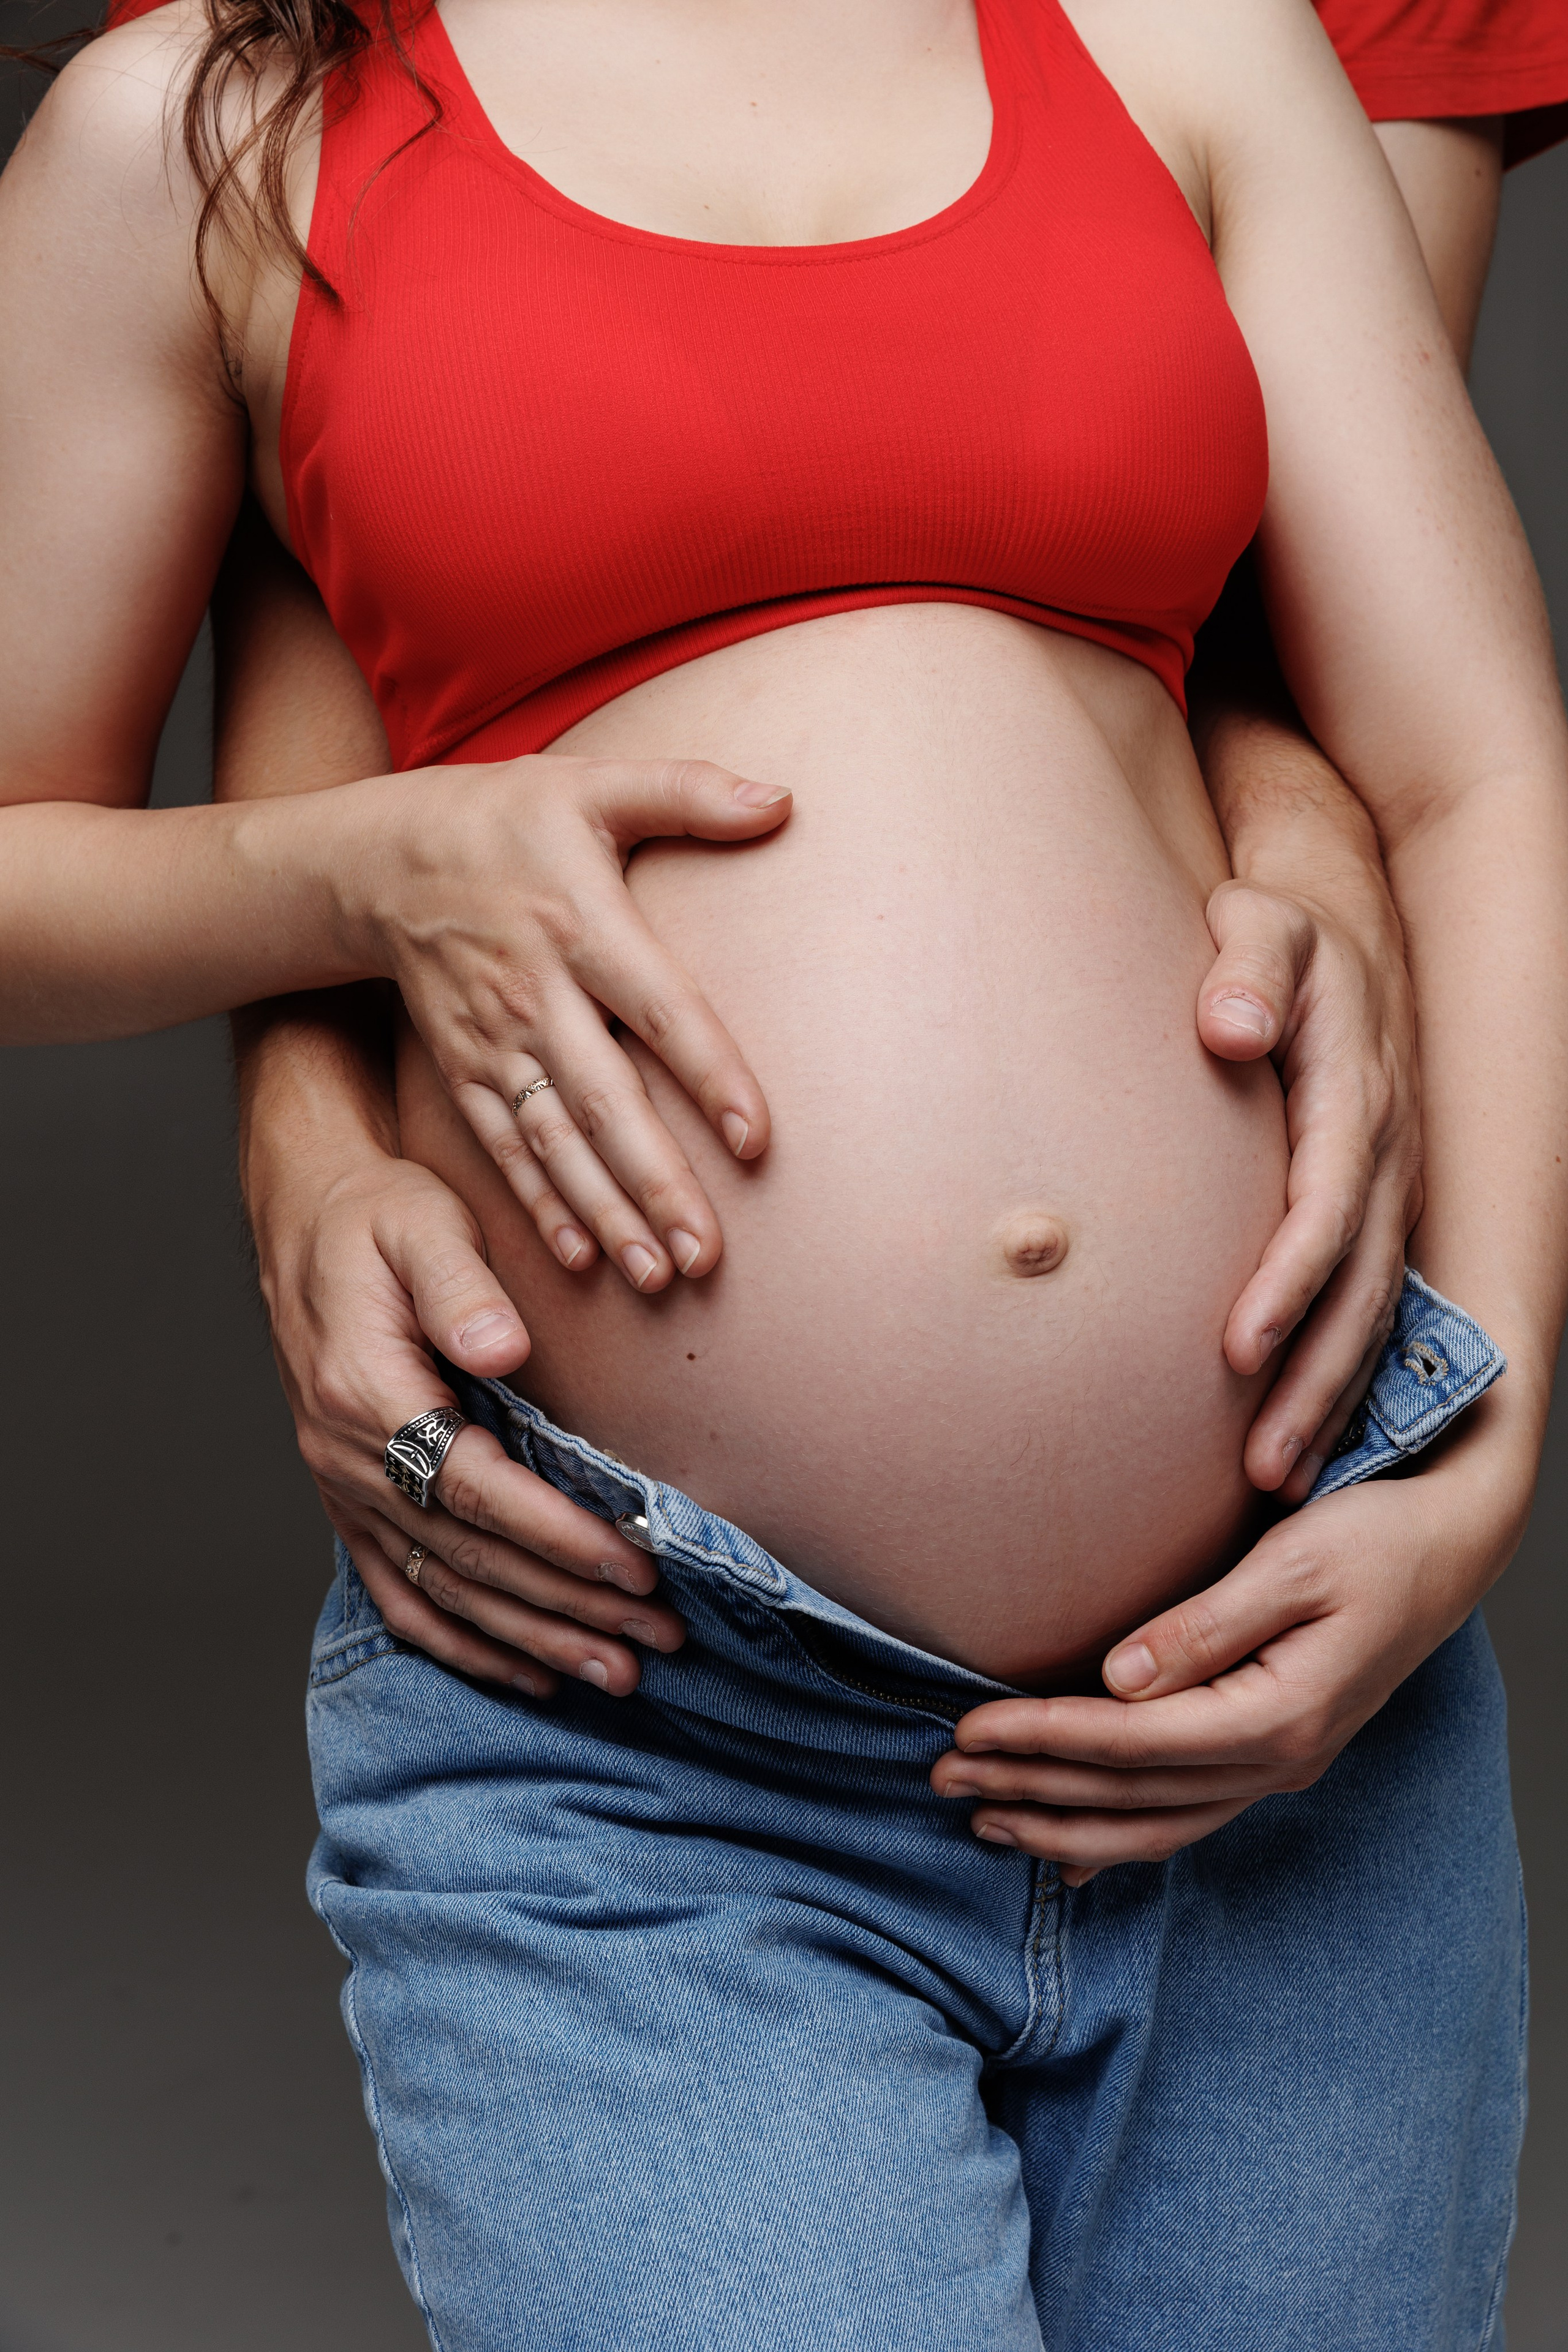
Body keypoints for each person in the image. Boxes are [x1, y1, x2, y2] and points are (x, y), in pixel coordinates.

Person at [2, 1, 1566, 2342]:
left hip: (1276, 1685)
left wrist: (1488, 1437)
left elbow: (1466, 766)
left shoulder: (1187, 47)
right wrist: (361, 870)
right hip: (647, 1732)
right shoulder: (211, 118)